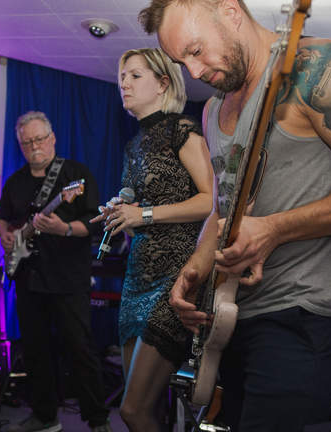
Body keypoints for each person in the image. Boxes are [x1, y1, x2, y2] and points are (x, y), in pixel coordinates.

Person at [138, 0, 331, 431]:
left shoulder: (316, 67)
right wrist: (194, 271)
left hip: (308, 315)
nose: (193, 72)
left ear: (230, 11)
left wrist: (274, 230)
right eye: (182, 62)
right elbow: (223, 206)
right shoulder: (214, 109)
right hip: (236, 318)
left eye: (196, 51)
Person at [90, 48, 213, 431]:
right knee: (144, 408)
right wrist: (123, 213)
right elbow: (145, 208)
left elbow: (211, 200)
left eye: (134, 76)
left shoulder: (183, 130)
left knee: (133, 410)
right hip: (137, 277)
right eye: (121, 77)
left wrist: (143, 214)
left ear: (162, 83)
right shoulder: (134, 144)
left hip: (174, 277)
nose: (124, 84)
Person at [0, 111, 111, 432]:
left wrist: (65, 229)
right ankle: (45, 417)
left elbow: (95, 222)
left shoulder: (76, 176)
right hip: (28, 278)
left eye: (39, 139)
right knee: (35, 350)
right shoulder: (15, 182)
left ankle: (98, 420)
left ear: (53, 138)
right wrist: (5, 234)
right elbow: (0, 217)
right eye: (27, 142)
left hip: (68, 278)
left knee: (80, 348)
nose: (34, 147)